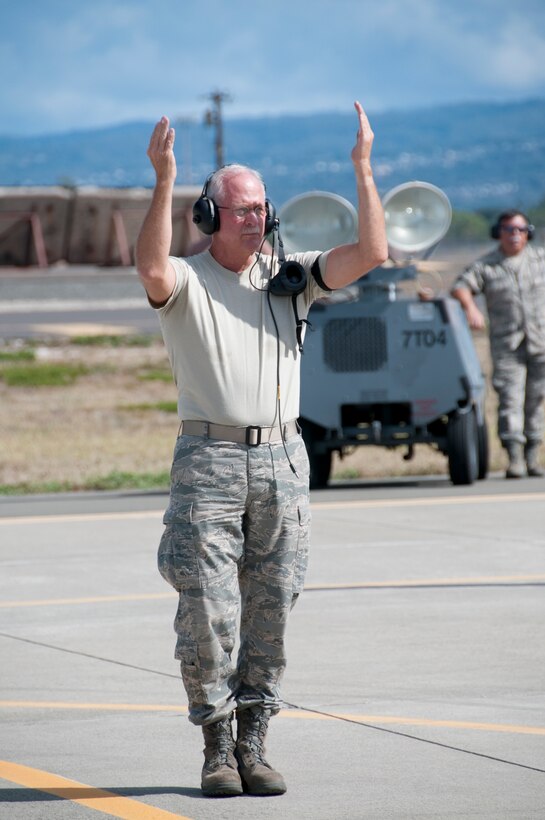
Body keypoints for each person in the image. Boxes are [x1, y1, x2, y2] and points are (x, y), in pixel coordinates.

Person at [135, 101, 388, 798]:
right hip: (209, 462)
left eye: (259, 208)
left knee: (271, 609)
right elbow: (151, 267)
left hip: (282, 461)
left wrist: (362, 168)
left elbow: (370, 255)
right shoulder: (188, 282)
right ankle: (216, 747)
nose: (252, 218)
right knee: (208, 612)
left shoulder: (291, 280)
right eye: (238, 209)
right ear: (210, 217)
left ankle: (254, 744)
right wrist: (164, 179)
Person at [451, 210, 545, 478]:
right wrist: (471, 308)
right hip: (508, 345)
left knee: (536, 400)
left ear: (529, 233)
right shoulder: (487, 265)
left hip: (540, 342)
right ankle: (514, 457)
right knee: (510, 399)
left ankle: (533, 455)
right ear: (498, 233)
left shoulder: (539, 260)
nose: (515, 235)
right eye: (509, 230)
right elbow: (461, 287)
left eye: (520, 229)